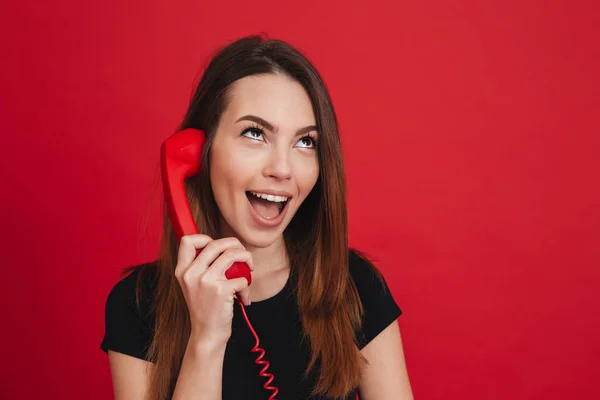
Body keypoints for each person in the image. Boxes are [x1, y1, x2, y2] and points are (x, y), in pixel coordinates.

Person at [101, 35, 414, 400]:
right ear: (198, 152)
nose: (282, 169)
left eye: (305, 142)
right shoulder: (137, 304)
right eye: (255, 133)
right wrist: (207, 338)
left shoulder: (353, 287)